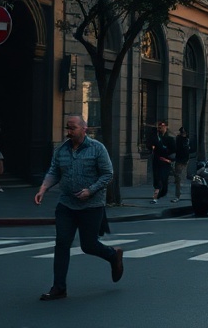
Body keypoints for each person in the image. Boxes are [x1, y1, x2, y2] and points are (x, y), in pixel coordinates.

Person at [34, 116, 123, 301]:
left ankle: (113, 255)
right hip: (66, 204)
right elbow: (54, 171)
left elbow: (108, 174)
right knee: (62, 243)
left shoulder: (97, 148)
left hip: (91, 206)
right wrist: (43, 189)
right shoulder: (61, 150)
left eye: (72, 128)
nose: (69, 131)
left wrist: (90, 191)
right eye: (67, 128)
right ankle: (59, 288)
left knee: (88, 245)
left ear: (84, 129)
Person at [150, 121, 175, 204]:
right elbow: (151, 147)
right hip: (157, 161)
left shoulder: (170, 138)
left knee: (164, 179)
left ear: (166, 127)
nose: (161, 128)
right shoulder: (156, 137)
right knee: (157, 179)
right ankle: (156, 196)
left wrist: (168, 158)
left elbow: (173, 150)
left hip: (165, 161)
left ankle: (162, 193)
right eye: (160, 127)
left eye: (163, 126)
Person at [171, 127, 190, 202]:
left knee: (180, 179)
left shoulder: (185, 140)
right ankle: (178, 195)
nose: (184, 134)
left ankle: (179, 195)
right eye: (183, 133)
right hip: (180, 160)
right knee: (179, 178)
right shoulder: (181, 140)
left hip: (183, 161)